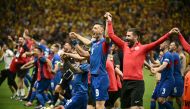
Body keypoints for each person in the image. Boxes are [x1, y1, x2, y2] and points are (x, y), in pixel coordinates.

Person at [104, 12, 176, 109]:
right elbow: (111, 35)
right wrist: (109, 21)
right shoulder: (124, 45)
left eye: (129, 36)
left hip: (137, 83)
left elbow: (157, 42)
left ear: (136, 37)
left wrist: (169, 33)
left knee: (135, 107)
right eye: (126, 35)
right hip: (125, 82)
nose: (126, 38)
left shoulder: (143, 48)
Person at [69, 22, 110, 109]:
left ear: (102, 30)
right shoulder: (94, 44)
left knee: (99, 106)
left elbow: (107, 36)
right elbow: (82, 53)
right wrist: (74, 41)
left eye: (95, 28)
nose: (93, 29)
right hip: (94, 77)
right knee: (97, 105)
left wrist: (108, 21)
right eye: (93, 28)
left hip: (101, 77)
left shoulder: (104, 43)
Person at [151, 40, 174, 109]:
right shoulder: (164, 55)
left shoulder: (168, 54)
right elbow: (162, 69)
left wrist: (156, 70)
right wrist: (153, 69)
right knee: (157, 98)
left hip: (168, 80)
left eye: (161, 44)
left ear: (166, 45)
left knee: (161, 99)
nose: (160, 45)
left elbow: (164, 65)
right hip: (163, 80)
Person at [167, 41, 184, 108]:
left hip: (176, 79)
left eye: (171, 45)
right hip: (173, 79)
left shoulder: (174, 55)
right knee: (170, 97)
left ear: (175, 47)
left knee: (178, 98)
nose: (170, 46)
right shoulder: (172, 55)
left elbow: (166, 65)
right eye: (170, 45)